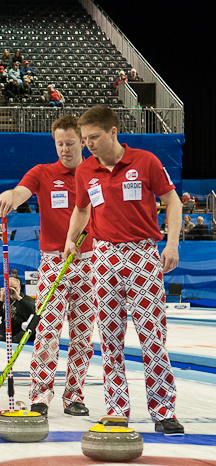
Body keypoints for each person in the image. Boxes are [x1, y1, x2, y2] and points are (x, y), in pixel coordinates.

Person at [64, 105, 184, 435]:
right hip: (103, 257)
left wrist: (171, 243)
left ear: (113, 133)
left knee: (152, 336)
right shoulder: (85, 170)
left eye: (94, 137)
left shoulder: (145, 162)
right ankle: (117, 409)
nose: (88, 144)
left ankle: (164, 410)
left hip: (143, 255)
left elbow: (173, 202)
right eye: (85, 138)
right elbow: (80, 209)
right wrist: (70, 240)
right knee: (110, 337)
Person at [0, 114, 96, 417]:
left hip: (90, 261)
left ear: (82, 142)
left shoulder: (95, 172)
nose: (64, 149)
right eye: (59, 143)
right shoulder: (42, 172)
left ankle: (75, 395)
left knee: (82, 331)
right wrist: (9, 197)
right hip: (53, 260)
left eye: (70, 143)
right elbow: (20, 192)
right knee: (47, 330)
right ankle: (41, 394)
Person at [0, 277, 36, 342]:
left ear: (19, 287)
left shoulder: (26, 298)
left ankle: (7, 339)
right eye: (8, 288)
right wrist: (1, 300)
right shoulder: (5, 300)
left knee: (28, 332)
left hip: (21, 327)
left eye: (14, 288)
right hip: (7, 327)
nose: (11, 290)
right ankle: (6, 338)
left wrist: (18, 298)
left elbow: (32, 311)